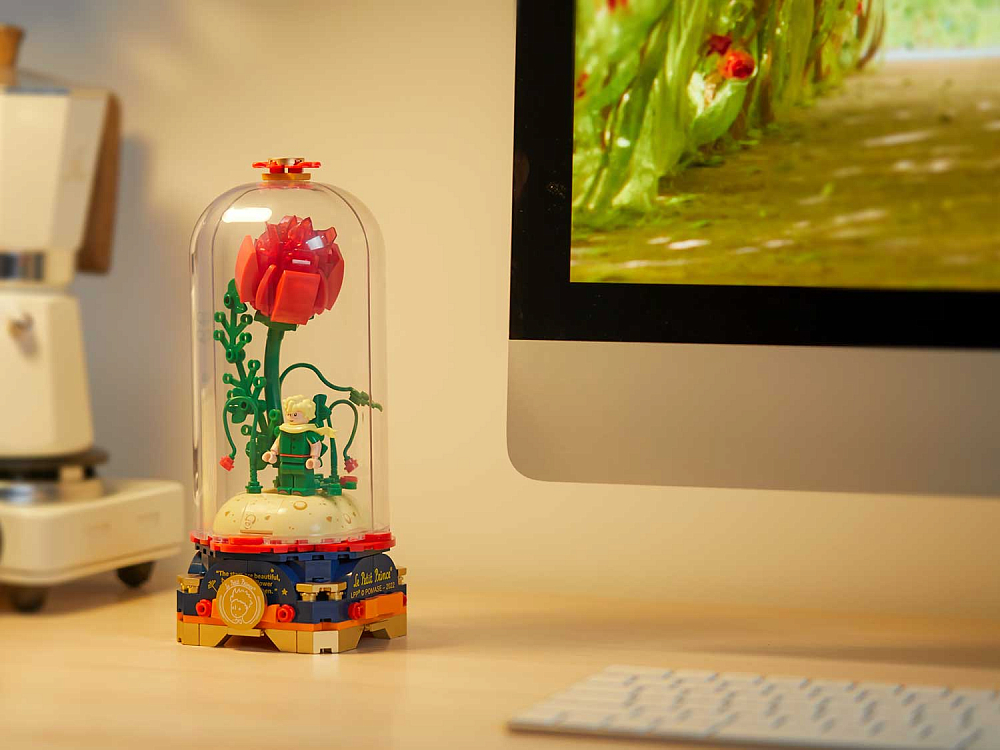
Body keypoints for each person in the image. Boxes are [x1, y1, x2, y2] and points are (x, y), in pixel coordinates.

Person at [262, 394, 336, 495]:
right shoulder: (284, 431)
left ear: (307, 416)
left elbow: (315, 444)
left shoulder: (307, 433)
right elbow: (277, 443)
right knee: (285, 475)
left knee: (301, 475)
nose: (290, 417)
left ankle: (301, 488)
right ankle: (285, 487)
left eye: (295, 414)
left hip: (302, 462)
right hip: (285, 460)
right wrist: (273, 453)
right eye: (288, 414)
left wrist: (314, 458)